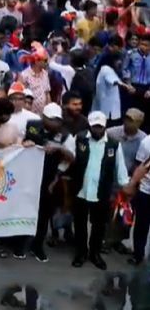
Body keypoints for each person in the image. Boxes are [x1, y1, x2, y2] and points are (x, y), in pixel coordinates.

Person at [62, 111, 128, 269]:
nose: (97, 130)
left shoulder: (113, 145)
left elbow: (121, 170)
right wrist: (60, 174)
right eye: (94, 127)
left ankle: (95, 253)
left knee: (99, 226)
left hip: (101, 193)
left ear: (105, 126)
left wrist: (125, 187)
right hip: (81, 190)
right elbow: (68, 159)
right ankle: (81, 252)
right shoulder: (79, 139)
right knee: (80, 224)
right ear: (89, 126)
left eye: (100, 127)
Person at [22, 103, 71, 263]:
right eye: (51, 119)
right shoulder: (32, 125)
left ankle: (38, 245)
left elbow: (71, 158)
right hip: (28, 176)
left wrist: (60, 148)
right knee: (24, 208)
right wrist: (25, 143)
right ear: (43, 117)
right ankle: (20, 243)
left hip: (50, 179)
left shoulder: (65, 136)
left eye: (57, 120)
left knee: (44, 213)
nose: (55, 123)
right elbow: (20, 142)